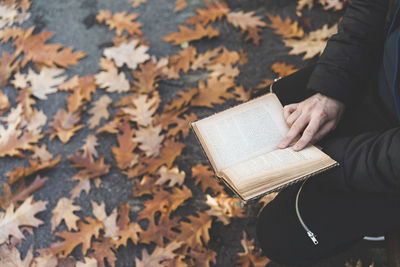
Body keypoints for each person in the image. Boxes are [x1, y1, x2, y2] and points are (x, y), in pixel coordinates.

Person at [255, 0, 400, 265]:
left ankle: (375, 226)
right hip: (381, 82)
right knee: (269, 109)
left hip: (392, 162)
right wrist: (331, 90)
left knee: (280, 235)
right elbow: (371, 8)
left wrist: (329, 161)